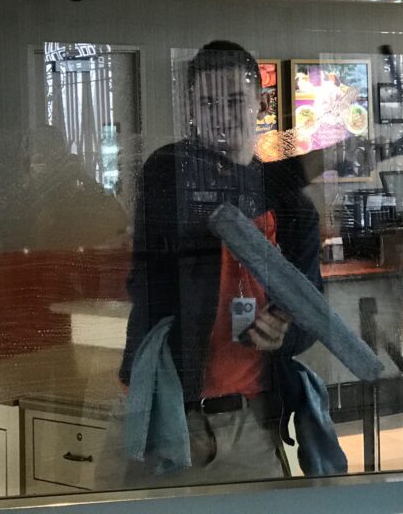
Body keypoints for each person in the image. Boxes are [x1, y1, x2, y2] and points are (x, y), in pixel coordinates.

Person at [115, 41, 334, 486]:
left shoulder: (294, 212)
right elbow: (148, 282)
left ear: (261, 104)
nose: (222, 115)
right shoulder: (168, 172)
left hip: (253, 419)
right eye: (208, 103)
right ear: (192, 110)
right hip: (169, 414)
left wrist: (284, 333)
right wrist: (320, 161)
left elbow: (313, 314)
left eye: (235, 100)